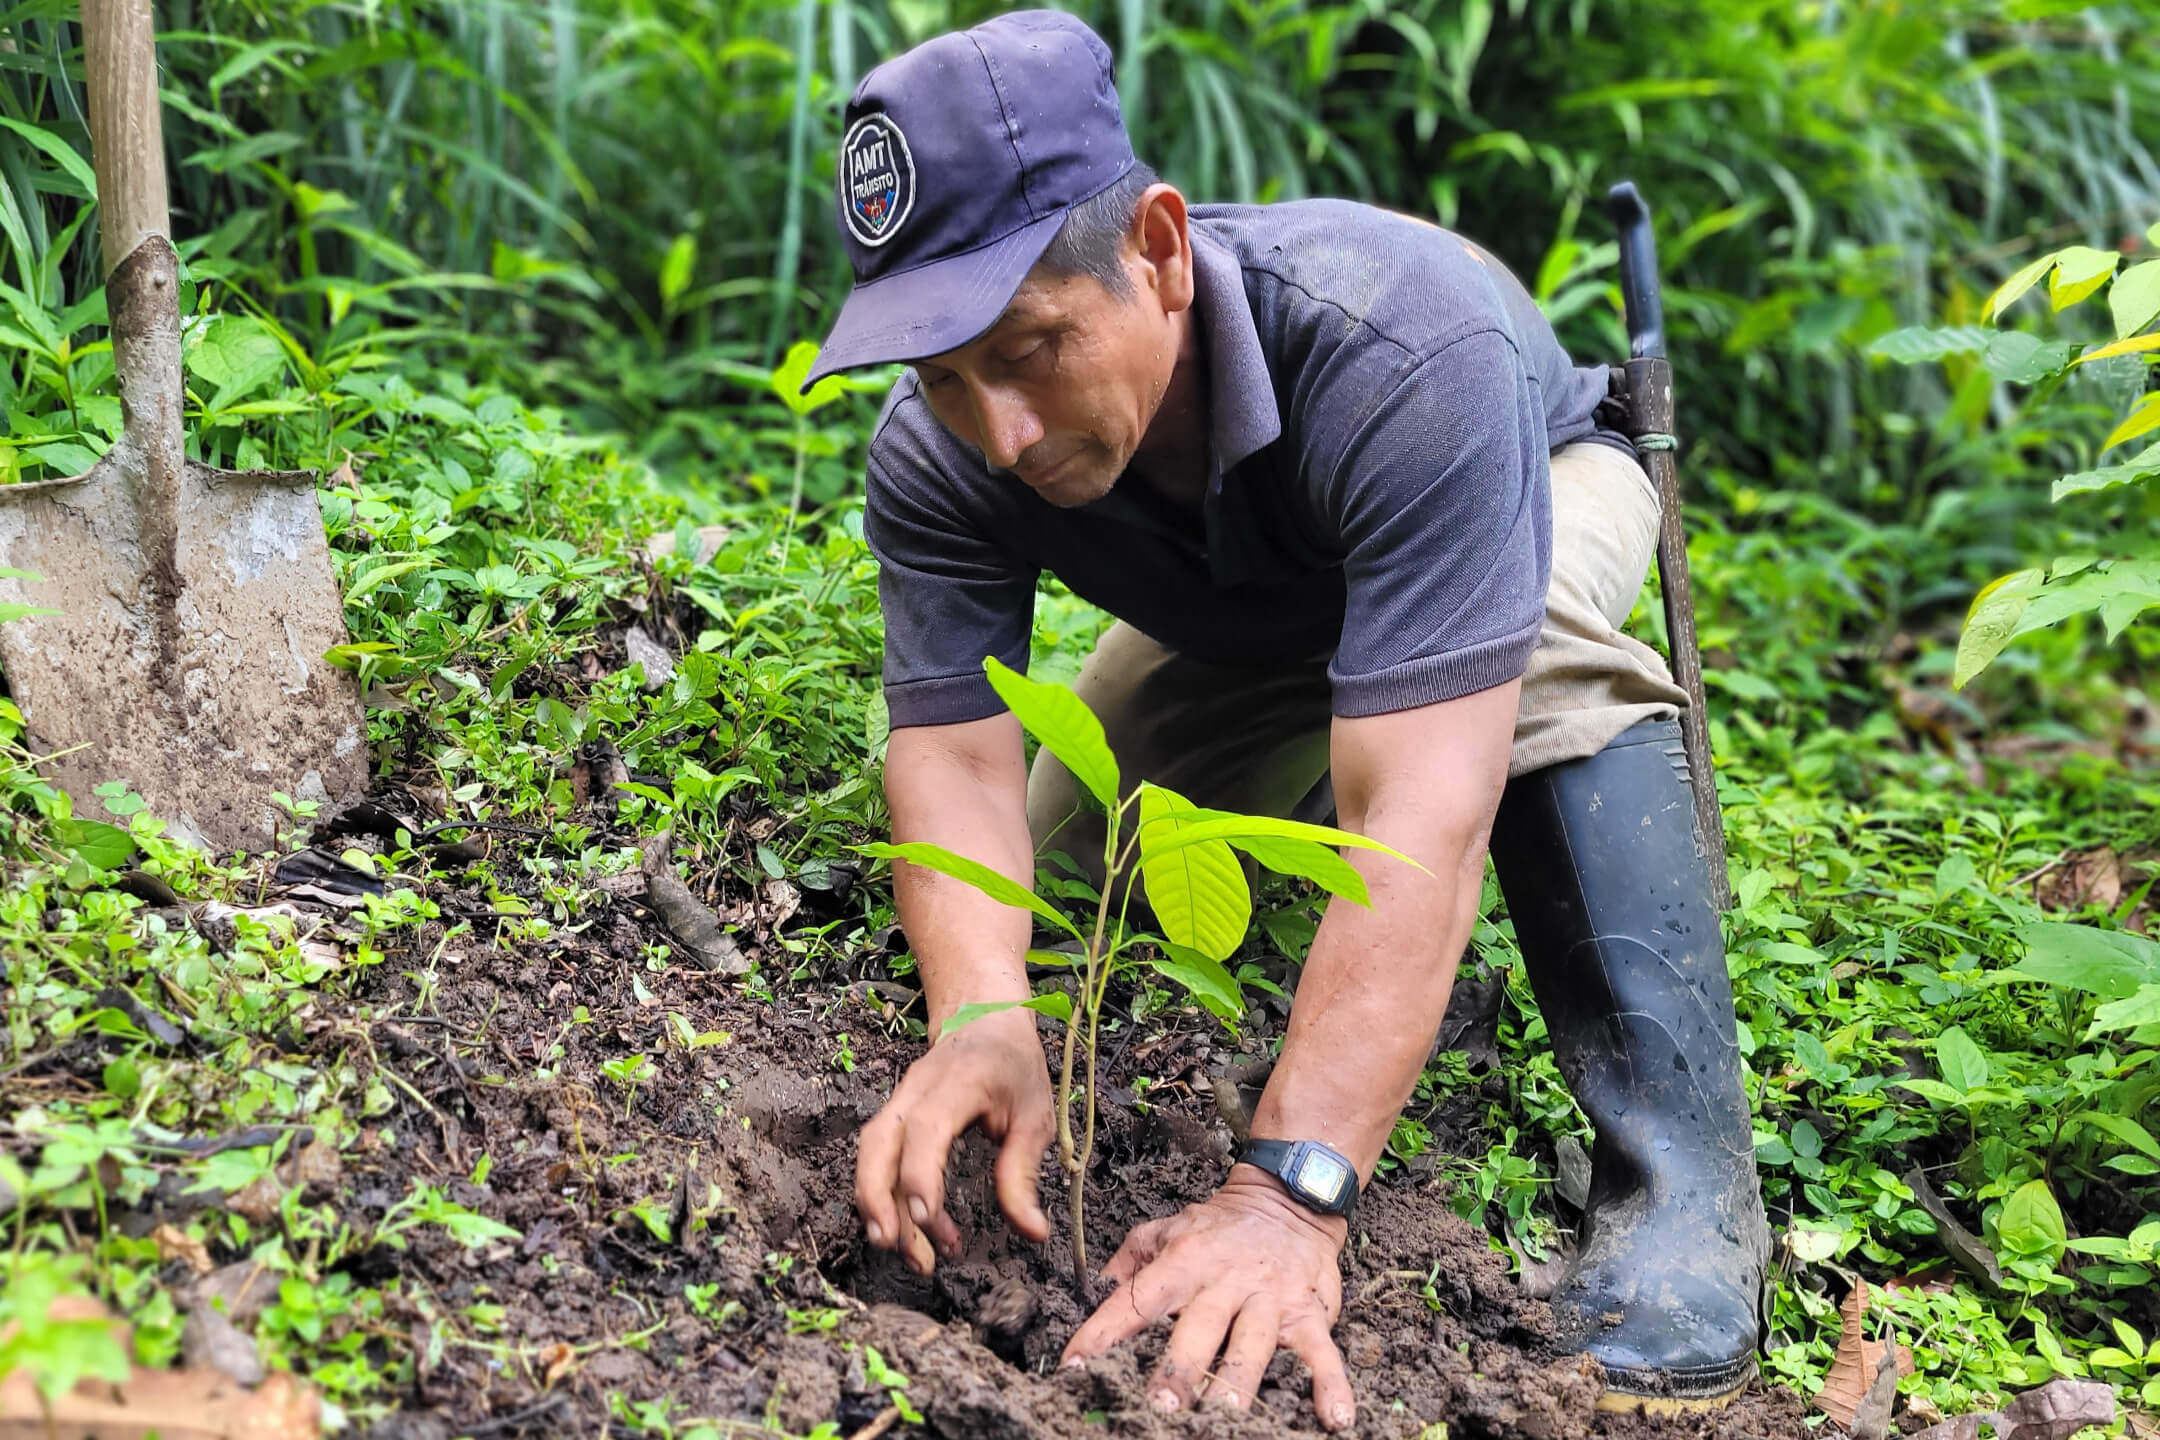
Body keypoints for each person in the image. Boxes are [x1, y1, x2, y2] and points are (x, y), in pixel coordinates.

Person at [805, 11, 1769, 1430]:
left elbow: (1420, 821)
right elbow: (955, 754)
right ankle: (1339, 764)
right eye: (946, 376)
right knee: (1075, 846)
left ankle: (1682, 1192)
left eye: (1031, 350)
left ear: (1159, 250)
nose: (997, 432)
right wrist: (985, 1015)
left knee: (1531, 662)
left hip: (1540, 489)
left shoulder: (1404, 346)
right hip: (1267, 605)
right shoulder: (943, 453)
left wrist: (1285, 1195)